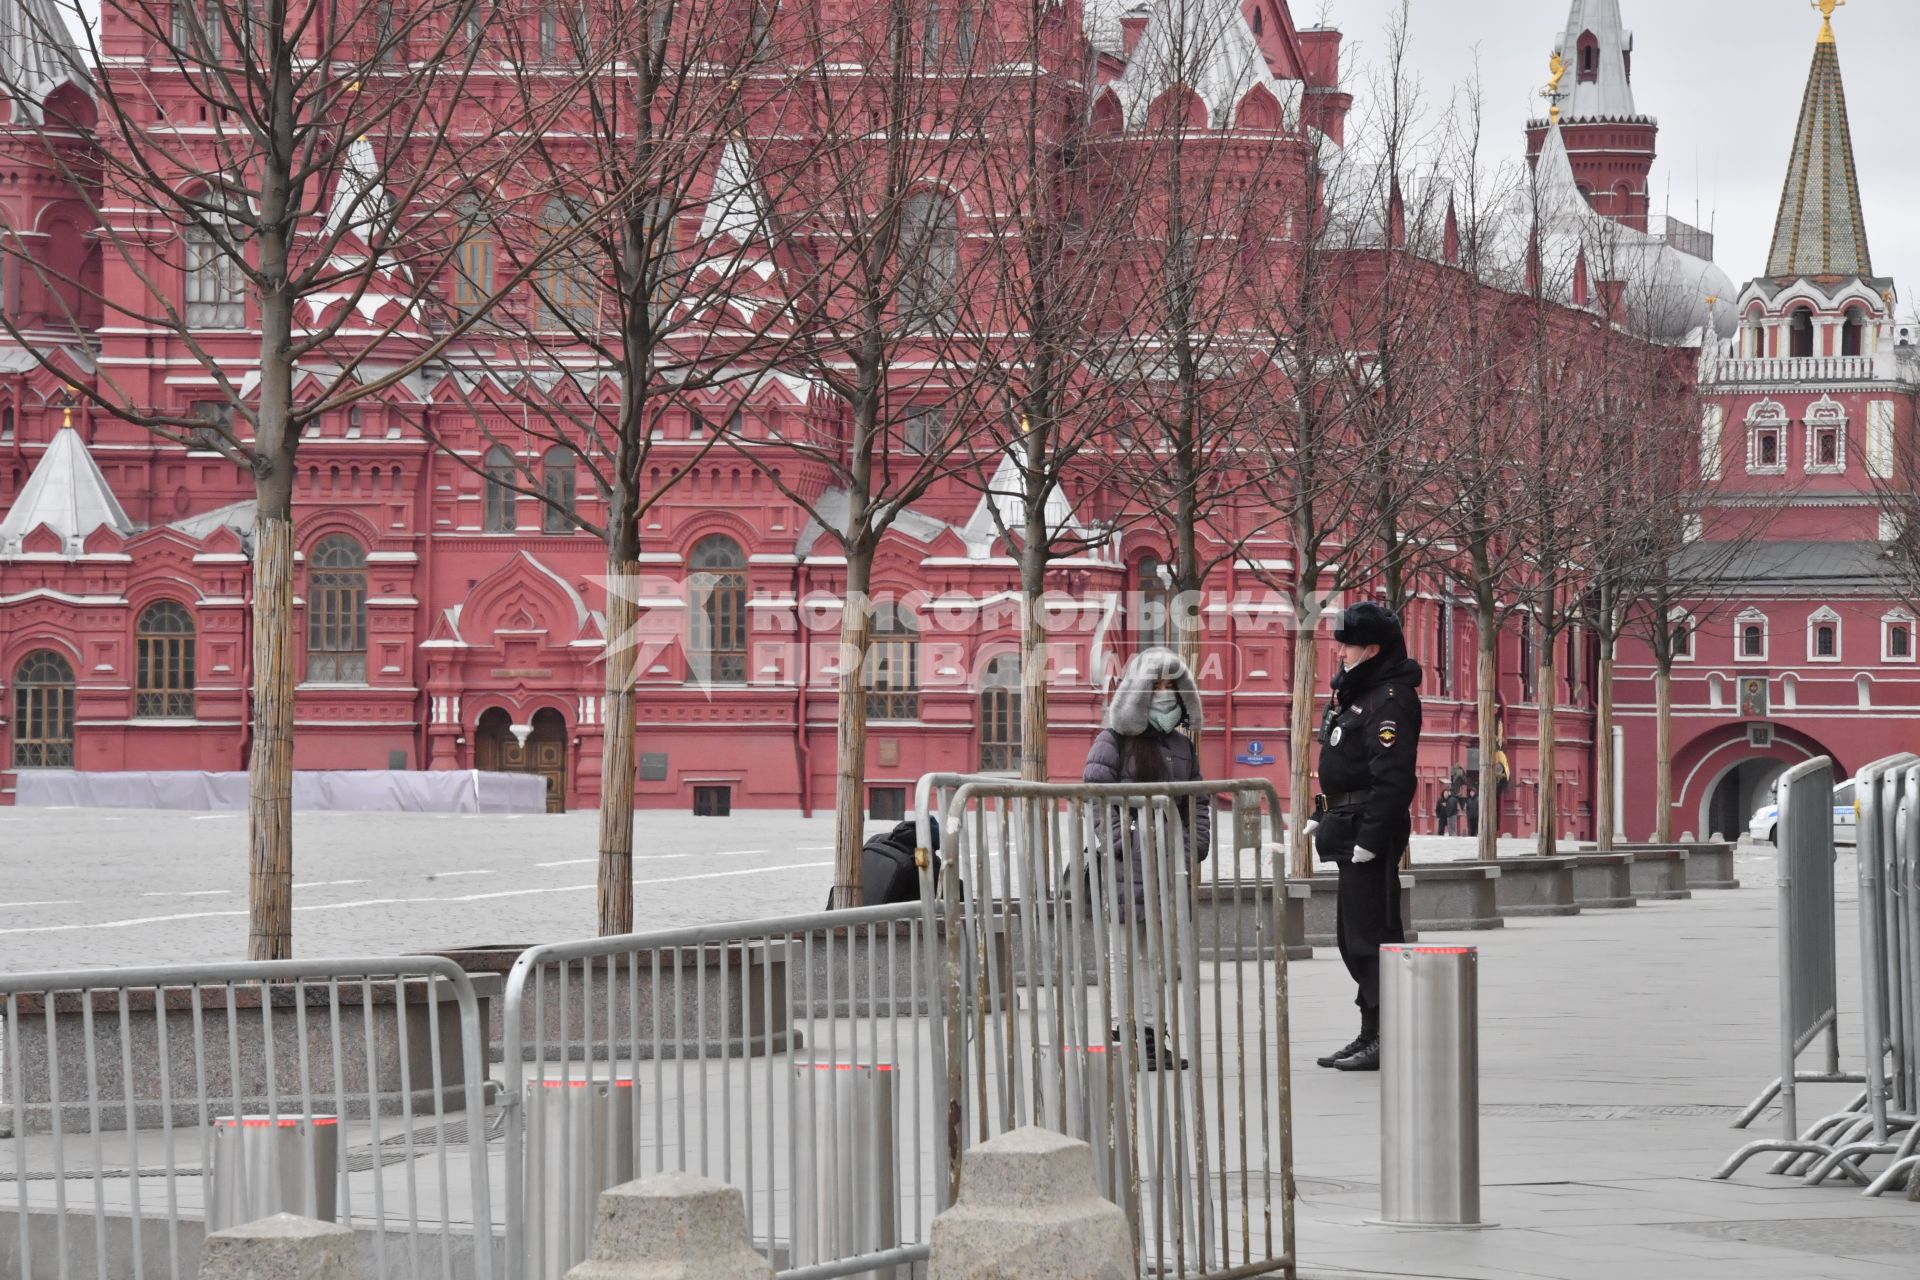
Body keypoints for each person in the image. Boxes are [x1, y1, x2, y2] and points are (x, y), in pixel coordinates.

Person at [1083, 647, 1210, 1071]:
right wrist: (1122, 841)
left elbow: (1198, 799)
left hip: (1167, 866)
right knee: (1125, 952)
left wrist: (1193, 845)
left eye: (1170, 687)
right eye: (1155, 686)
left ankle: (1153, 1036)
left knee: (1157, 954)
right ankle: (1128, 1034)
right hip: (1124, 867)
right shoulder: (1113, 740)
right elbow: (1095, 797)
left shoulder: (1181, 745)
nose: (1163, 695)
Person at [1312, 601, 1423, 1072]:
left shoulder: (1390, 698)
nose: (1339, 652)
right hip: (1349, 824)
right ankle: (1369, 1031)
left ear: (1372, 648)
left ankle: (1387, 1035)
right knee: (1352, 937)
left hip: (1367, 831)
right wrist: (1326, 814)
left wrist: (1373, 837)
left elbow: (1393, 779)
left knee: (1373, 936)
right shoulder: (1361, 692)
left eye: (1348, 644)